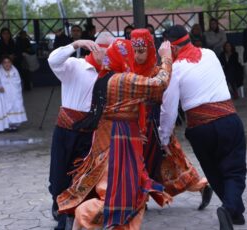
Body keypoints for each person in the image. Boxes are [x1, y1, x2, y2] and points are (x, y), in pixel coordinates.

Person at [57, 39, 173, 230]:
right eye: (131, 53)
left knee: (127, 192)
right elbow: (159, 84)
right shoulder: (122, 79)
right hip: (119, 142)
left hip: (115, 137)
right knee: (122, 194)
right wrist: (166, 58)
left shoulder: (106, 77)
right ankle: (82, 216)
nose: (135, 57)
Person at [160, 25, 247, 230]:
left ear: (170, 47)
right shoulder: (209, 54)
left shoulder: (174, 70)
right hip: (228, 120)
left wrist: (163, 139)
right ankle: (229, 209)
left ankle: (235, 212)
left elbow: (168, 110)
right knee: (234, 171)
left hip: (200, 129)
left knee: (214, 172)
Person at [131, 28, 213, 209]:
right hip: (136, 128)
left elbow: (167, 103)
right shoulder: (128, 69)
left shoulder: (160, 71)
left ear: (151, 49)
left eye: (142, 51)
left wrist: (163, 132)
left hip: (156, 125)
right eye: (134, 51)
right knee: (139, 164)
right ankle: (140, 200)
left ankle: (202, 186)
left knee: (173, 164)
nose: (137, 56)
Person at [47, 32, 115, 230]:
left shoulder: (111, 73)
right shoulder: (74, 66)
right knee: (58, 177)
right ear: (96, 48)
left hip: (91, 134)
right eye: (107, 51)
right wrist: (75, 44)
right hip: (65, 131)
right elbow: (53, 60)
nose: (110, 56)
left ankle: (67, 219)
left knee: (81, 179)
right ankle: (58, 202)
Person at [0, 55, 28, 130]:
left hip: (14, 94)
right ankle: (7, 124)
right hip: (5, 95)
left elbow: (18, 82)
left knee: (16, 106)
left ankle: (15, 124)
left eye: (8, 62)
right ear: (2, 64)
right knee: (6, 108)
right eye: (5, 62)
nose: (7, 64)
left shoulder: (15, 71)